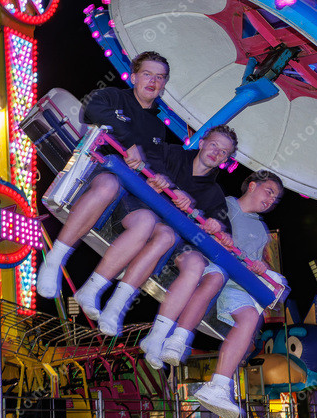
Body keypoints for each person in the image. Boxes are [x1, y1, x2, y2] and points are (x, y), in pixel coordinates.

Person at [145, 171, 286, 418]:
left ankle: (218, 387)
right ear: (252, 185)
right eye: (269, 192)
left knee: (251, 317)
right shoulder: (225, 204)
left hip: (238, 281)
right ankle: (177, 339)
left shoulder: (261, 229)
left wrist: (262, 267)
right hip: (212, 263)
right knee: (215, 276)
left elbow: (256, 260)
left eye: (275, 199)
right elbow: (199, 223)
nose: (271, 200)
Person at [77, 125, 239, 337]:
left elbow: (222, 228)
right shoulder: (172, 152)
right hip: (134, 212)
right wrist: (161, 181)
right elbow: (143, 159)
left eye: (223, 152)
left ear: (225, 159)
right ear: (201, 143)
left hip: (163, 240)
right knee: (147, 221)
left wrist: (216, 227)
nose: (216, 152)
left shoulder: (215, 194)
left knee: (167, 236)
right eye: (214, 145)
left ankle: (115, 307)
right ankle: (92, 287)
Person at [37, 51, 171, 301]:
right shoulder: (112, 96)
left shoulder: (158, 127)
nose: (153, 81)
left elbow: (155, 164)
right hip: (98, 172)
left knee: (147, 221)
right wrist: (129, 142)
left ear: (164, 84)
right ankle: (54, 261)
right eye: (147, 74)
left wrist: (158, 178)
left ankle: (93, 289)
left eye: (160, 77)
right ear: (133, 77)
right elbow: (92, 110)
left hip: (130, 193)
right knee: (110, 183)